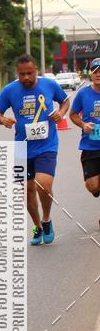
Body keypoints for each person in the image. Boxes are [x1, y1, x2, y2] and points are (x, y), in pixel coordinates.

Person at [0, 54, 69, 245]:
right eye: (22, 74)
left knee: (44, 185)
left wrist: (60, 112)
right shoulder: (10, 90)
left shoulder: (49, 85)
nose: (26, 77)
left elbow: (65, 100)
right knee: (27, 190)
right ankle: (36, 226)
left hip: (47, 145)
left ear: (36, 71)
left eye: (29, 73)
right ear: (17, 73)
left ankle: (46, 219)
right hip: (21, 146)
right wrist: (3, 120)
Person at [70, 56, 100, 225]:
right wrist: (83, 124)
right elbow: (73, 114)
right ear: (91, 75)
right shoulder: (83, 93)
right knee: (93, 186)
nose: (98, 74)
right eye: (95, 71)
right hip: (89, 146)